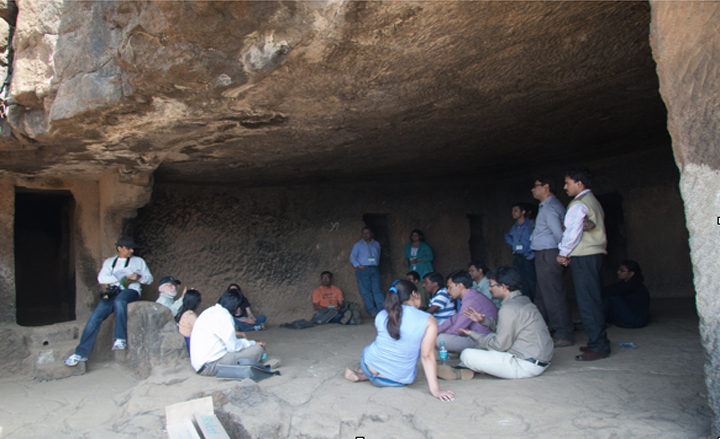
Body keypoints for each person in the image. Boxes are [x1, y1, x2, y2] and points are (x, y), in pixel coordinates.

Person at [343, 280, 455, 402]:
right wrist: (435, 390)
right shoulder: (428, 320)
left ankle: (362, 373)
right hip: (395, 380)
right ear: (414, 294)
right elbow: (426, 356)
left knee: (373, 347)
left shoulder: (381, 315)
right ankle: (363, 375)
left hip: (368, 366)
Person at [452, 266, 553, 380]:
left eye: (492, 285)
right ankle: (464, 368)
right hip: (540, 360)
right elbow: (506, 328)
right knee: (488, 339)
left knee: (467, 355)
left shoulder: (508, 308)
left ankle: (464, 367)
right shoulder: (522, 300)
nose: (489, 288)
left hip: (525, 365)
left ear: (504, 287)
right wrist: (483, 321)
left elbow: (499, 345)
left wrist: (472, 334)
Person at [65, 237, 153, 366]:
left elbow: (149, 279)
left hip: (131, 291)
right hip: (113, 292)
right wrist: (119, 277)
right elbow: (101, 278)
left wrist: (138, 277)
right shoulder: (109, 262)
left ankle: (120, 338)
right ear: (119, 248)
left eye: (132, 248)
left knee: (120, 301)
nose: (131, 250)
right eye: (128, 248)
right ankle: (80, 353)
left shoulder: (138, 261)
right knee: (94, 318)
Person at [557, 166, 611, 361]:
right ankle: (597, 341)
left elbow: (572, 231)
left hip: (585, 257)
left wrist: (563, 253)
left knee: (588, 302)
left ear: (579, 183)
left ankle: (599, 345)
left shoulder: (578, 204)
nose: (565, 187)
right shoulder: (593, 201)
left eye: (568, 183)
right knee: (593, 299)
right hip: (594, 254)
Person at [531, 175, 575, 348]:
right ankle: (542, 330)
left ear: (546, 187)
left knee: (553, 295)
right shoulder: (546, 207)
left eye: (536, 186)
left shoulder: (550, 208)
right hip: (544, 254)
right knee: (542, 295)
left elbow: (559, 234)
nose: (533, 189)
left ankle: (564, 333)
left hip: (549, 254)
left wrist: (564, 253)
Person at [191, 289, 277, 376]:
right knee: (257, 350)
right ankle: (260, 361)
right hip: (210, 366)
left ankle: (256, 359)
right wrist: (253, 343)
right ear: (236, 307)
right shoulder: (224, 317)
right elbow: (233, 348)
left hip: (201, 364)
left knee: (241, 340)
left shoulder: (209, 311)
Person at [436, 270, 498, 354]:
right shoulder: (471, 296)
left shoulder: (471, 301)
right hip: (475, 336)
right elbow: (452, 319)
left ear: (460, 286)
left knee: (441, 340)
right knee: (439, 336)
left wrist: (436, 337)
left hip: (482, 340)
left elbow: (456, 329)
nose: (448, 291)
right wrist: (435, 331)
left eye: (450, 287)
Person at [602, 260, 650, 328]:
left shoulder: (634, 284)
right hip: (632, 316)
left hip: (636, 321)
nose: (618, 272)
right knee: (608, 296)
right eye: (619, 270)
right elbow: (611, 288)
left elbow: (610, 292)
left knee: (611, 297)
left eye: (622, 271)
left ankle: (598, 321)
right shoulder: (626, 282)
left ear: (631, 273)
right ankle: (597, 319)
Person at [504, 202, 537, 301]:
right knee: (521, 282)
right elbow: (507, 236)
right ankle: (526, 303)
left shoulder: (531, 224)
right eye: (512, 211)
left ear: (523, 212)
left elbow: (538, 239)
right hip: (518, 258)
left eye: (515, 211)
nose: (513, 213)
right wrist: (513, 244)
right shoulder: (515, 227)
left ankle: (537, 306)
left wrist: (532, 255)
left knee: (532, 282)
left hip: (528, 257)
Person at [350, 227, 384, 316]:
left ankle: (382, 310)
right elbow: (352, 257)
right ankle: (372, 311)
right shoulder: (358, 244)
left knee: (377, 290)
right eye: (363, 233)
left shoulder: (376, 244)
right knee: (366, 291)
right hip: (364, 269)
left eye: (367, 233)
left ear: (371, 233)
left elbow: (378, 255)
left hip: (374, 268)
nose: (365, 235)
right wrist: (358, 266)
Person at [177, 289, 202, 353]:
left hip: (184, 341)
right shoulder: (191, 316)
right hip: (189, 342)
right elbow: (200, 331)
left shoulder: (183, 312)